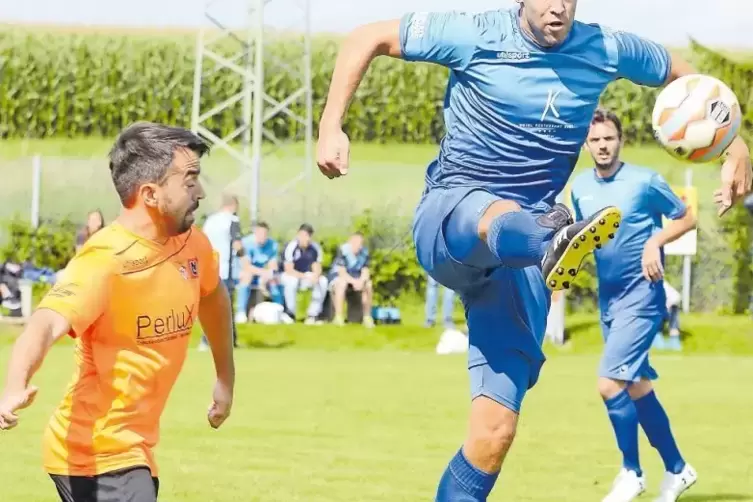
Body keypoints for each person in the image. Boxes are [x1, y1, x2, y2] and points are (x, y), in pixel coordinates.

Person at [315, 1, 751, 500]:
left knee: (493, 434)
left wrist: (733, 144)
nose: (558, 7)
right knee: (497, 211)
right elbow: (365, 36)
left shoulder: (603, 47)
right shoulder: (472, 32)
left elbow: (679, 72)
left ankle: (547, 242)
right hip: (454, 215)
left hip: (521, 261)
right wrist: (332, 124)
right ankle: (549, 242)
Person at [0, 122, 235, 502]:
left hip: (132, 450)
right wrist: (14, 384)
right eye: (189, 179)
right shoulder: (104, 259)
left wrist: (225, 378)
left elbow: (212, 295)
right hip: (92, 451)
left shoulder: (193, 244)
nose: (201, 192)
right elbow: (46, 322)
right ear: (150, 193)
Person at [571, 109, 698, 502]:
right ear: (586, 145)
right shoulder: (579, 188)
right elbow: (582, 240)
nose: (603, 146)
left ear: (619, 140)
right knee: (638, 387)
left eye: (608, 138)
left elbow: (687, 217)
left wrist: (654, 241)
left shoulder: (644, 181)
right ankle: (678, 469)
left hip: (643, 296)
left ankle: (632, 472)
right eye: (595, 140)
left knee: (609, 383)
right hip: (609, 301)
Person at [200, 193, 243, 348]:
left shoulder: (210, 221)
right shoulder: (232, 220)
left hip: (209, 269)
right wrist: (244, 256)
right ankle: (221, 341)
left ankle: (217, 340)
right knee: (225, 307)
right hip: (226, 270)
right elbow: (237, 245)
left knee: (212, 307)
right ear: (233, 205)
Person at [235, 221, 283, 323]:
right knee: (247, 276)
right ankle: (241, 312)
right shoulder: (247, 243)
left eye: (265, 234)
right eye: (260, 234)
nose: (263, 237)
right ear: (255, 233)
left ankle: (280, 310)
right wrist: (264, 273)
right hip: (242, 272)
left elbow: (273, 265)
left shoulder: (272, 244)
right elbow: (246, 266)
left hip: (260, 274)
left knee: (274, 279)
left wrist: (268, 275)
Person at [281, 223, 328, 324]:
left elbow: (317, 266)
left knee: (322, 281)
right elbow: (288, 269)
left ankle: (313, 314)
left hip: (306, 276)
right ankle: (290, 313)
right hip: (290, 275)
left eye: (308, 236)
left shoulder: (315, 248)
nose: (306, 238)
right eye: (304, 235)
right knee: (292, 281)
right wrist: (304, 276)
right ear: (298, 235)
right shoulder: (291, 246)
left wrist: (316, 275)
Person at [328, 231, 375, 327]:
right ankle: (339, 317)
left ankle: (367, 317)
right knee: (342, 284)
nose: (358, 246)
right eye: (355, 243)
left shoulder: (364, 252)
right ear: (350, 242)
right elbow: (342, 273)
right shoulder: (342, 251)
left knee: (368, 284)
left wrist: (361, 281)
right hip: (339, 277)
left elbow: (365, 271)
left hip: (356, 278)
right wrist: (354, 282)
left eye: (360, 243)